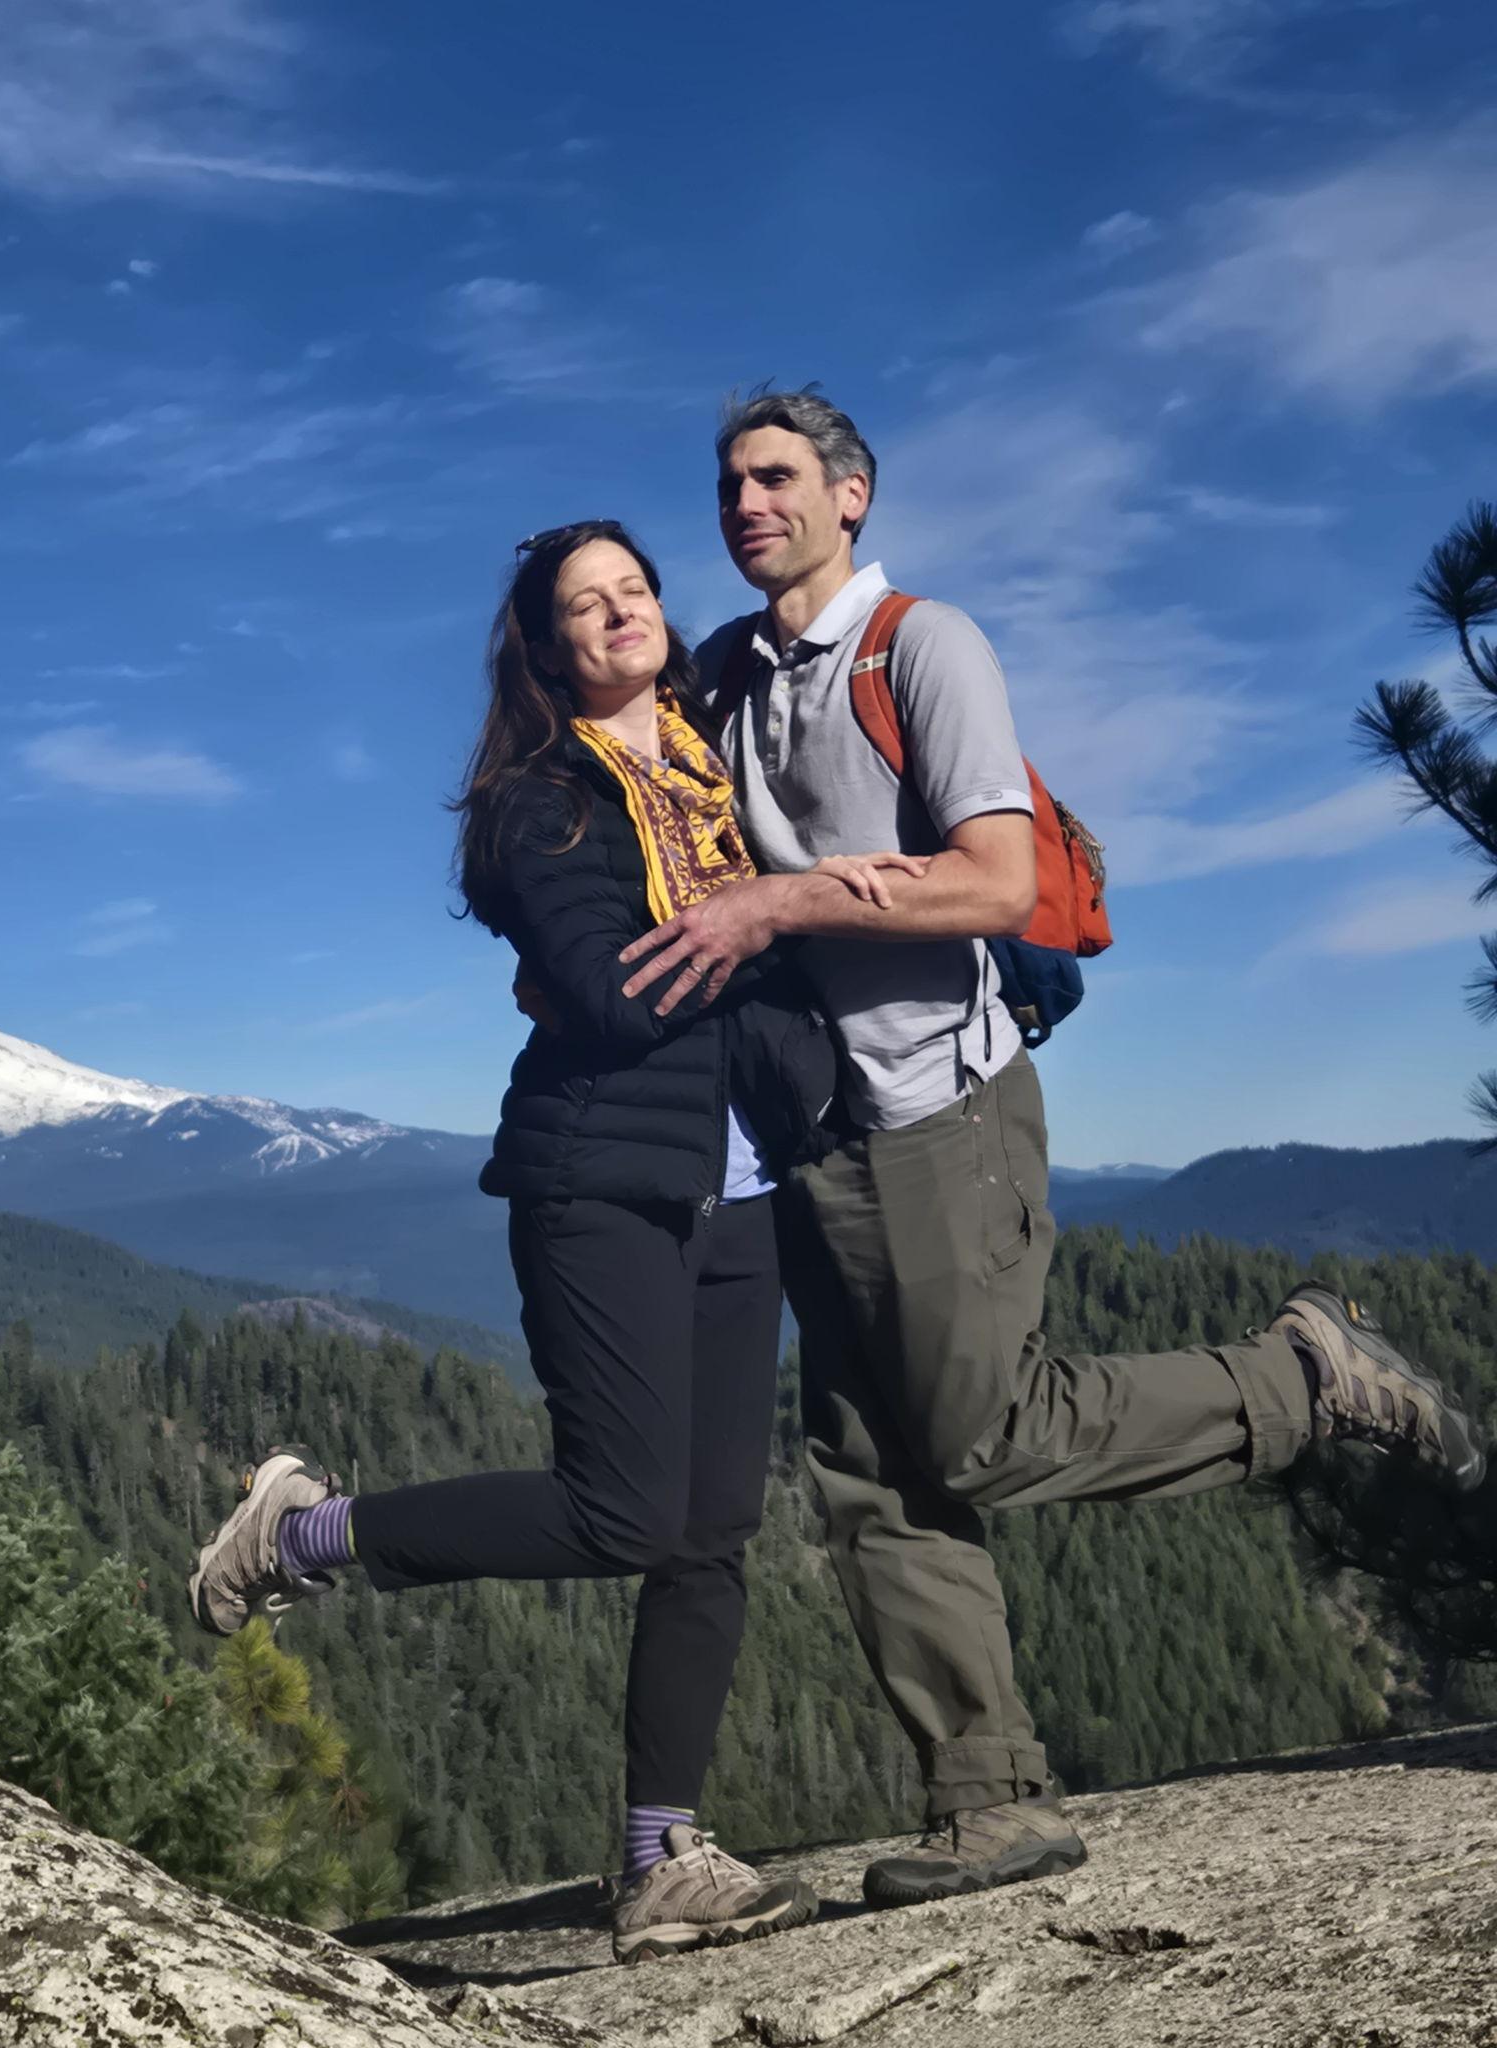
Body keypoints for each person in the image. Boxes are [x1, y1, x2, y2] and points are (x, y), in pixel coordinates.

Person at [617, 384, 1490, 1908]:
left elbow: (1000, 880)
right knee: (869, 1472)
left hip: (948, 1110)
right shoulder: (730, 677)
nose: (746, 503)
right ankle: (989, 1797)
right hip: (822, 1129)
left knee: (983, 1434)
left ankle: (1303, 1374)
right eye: (728, 482)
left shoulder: (923, 648)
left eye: (775, 477)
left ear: (851, 496)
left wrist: (784, 901)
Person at [189, 519, 905, 1962]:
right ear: (547, 648)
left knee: (710, 1537)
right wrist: (774, 921)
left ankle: (659, 1862)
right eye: (584, 605)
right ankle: (303, 1531)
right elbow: (616, 991)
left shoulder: (715, 762)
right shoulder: (542, 806)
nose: (619, 613)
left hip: (743, 1190)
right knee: (622, 1512)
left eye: (634, 588)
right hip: (604, 1186)